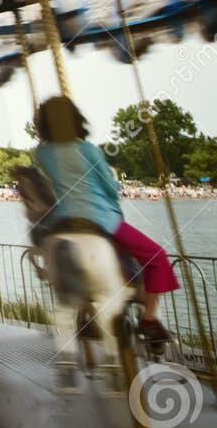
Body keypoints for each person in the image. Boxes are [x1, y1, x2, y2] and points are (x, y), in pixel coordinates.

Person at [33, 95, 179, 341]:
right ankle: (150, 318)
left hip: (63, 218)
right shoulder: (88, 150)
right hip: (99, 217)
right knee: (156, 256)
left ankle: (84, 310)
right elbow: (111, 188)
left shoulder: (42, 153)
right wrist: (113, 185)